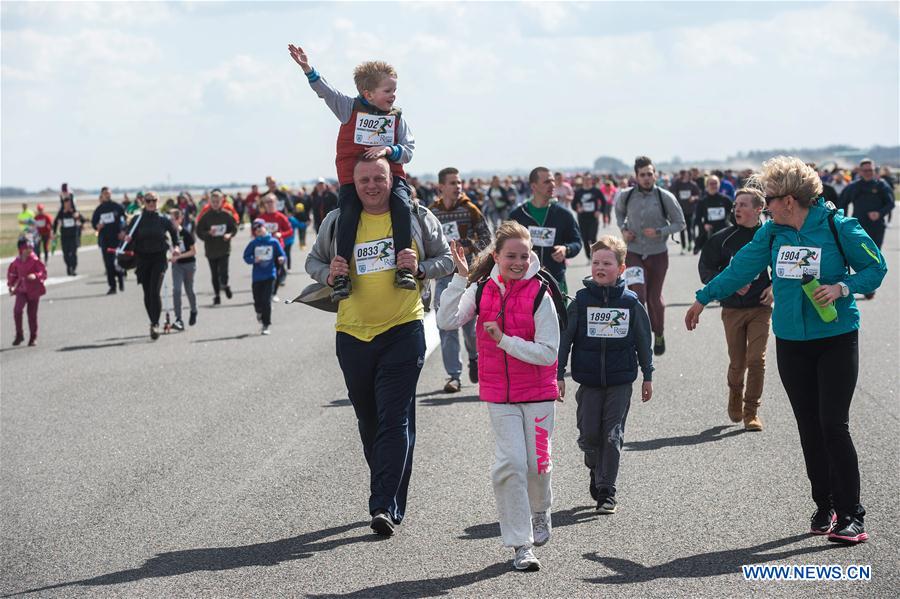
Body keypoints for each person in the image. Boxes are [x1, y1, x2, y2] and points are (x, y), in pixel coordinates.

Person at [685, 156, 887, 545]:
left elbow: (876, 268)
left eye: (770, 199)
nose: (766, 206)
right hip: (792, 341)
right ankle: (824, 505)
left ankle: (852, 515)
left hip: (836, 336)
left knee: (833, 423)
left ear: (790, 200)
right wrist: (702, 298)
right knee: (809, 426)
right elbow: (739, 269)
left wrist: (843, 287)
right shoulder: (772, 234)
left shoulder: (837, 226)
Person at [305, 157, 452, 537]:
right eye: (364, 180)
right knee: (370, 420)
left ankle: (382, 504)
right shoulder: (338, 221)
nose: (372, 186)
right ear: (353, 184)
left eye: (379, 178)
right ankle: (389, 485)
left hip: (403, 329)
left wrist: (420, 268)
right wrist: (329, 272)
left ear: (392, 180)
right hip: (352, 334)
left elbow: (447, 259)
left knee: (394, 418)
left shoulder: (416, 217)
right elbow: (312, 261)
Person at [437, 222, 560, 572]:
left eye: (524, 255)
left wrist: (504, 340)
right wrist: (459, 280)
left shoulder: (540, 294)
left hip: (537, 394)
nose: (518, 262)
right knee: (510, 465)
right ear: (496, 257)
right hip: (500, 395)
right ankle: (521, 545)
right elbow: (447, 321)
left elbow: (549, 353)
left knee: (538, 465)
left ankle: (540, 510)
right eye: (511, 256)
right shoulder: (480, 290)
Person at [290, 43, 417, 301]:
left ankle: (403, 268)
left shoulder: (397, 118)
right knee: (347, 217)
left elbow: (409, 150)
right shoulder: (348, 108)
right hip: (352, 180)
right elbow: (326, 91)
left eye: (395, 90)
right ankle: (341, 275)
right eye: (388, 91)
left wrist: (388, 150)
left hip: (390, 178)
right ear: (368, 94)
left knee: (403, 206)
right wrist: (307, 68)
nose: (393, 95)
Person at [557, 235, 653, 514]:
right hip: (587, 380)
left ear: (621, 268)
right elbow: (566, 339)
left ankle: (607, 490)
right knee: (589, 435)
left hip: (620, 380)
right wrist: (558, 373)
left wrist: (648, 375)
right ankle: (594, 466)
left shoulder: (630, 303)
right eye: (596, 262)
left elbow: (643, 341)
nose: (600, 267)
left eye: (607, 263)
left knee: (612, 434)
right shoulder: (581, 301)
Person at [697, 188, 772, 431]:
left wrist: (774, 288)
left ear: (759, 209)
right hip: (733, 309)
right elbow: (706, 270)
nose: (737, 209)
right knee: (738, 363)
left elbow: (785, 267)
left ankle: (751, 411)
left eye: (743, 205)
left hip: (760, 307)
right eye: (736, 205)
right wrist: (730, 285)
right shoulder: (723, 239)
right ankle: (735, 395)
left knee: (757, 360)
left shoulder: (770, 237)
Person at [614, 156, 686, 355]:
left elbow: (680, 223)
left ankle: (659, 333)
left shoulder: (665, 197)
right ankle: (639, 338)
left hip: (657, 254)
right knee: (638, 296)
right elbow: (619, 213)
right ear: (636, 176)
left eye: (650, 174)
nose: (646, 178)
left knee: (654, 299)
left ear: (655, 175)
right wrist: (623, 229)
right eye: (642, 175)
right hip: (633, 253)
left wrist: (660, 231)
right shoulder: (626, 196)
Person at [429, 167, 492, 392]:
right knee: (446, 327)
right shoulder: (432, 213)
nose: (458, 187)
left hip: (468, 277)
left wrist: (469, 247)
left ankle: (475, 358)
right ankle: (453, 376)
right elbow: (424, 243)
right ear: (441, 187)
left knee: (470, 328)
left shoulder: (470, 210)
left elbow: (487, 238)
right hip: (444, 277)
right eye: (453, 183)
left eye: (459, 182)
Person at [509, 167, 582, 295]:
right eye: (547, 182)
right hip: (523, 280)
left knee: (558, 315)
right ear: (534, 186)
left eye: (553, 181)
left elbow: (576, 242)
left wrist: (566, 249)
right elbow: (504, 245)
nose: (553, 184)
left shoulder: (563, 214)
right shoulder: (518, 215)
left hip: (555, 280)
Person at [125, 192, 180, 339]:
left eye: (154, 200)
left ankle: (155, 324)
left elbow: (175, 235)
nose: (151, 203)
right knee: (147, 293)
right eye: (148, 201)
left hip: (159, 259)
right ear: (144, 202)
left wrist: (176, 247)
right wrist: (127, 238)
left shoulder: (163, 219)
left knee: (154, 291)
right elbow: (128, 236)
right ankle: (152, 321)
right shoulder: (137, 219)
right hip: (142, 259)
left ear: (157, 201)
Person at [838, 158, 893, 272]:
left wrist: (879, 213)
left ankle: (872, 284)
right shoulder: (853, 186)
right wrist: (843, 221)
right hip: (858, 227)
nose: (868, 173)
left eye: (870, 170)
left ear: (874, 170)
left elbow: (890, 203)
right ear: (860, 171)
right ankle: (865, 280)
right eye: (865, 170)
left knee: (875, 255)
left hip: (877, 226)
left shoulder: (881, 185)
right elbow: (842, 203)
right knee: (860, 256)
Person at [244, 219, 286, 335]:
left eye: (260, 227)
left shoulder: (273, 242)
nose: (258, 230)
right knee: (258, 300)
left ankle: (266, 324)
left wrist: (281, 259)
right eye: (256, 229)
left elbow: (282, 254)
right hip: (257, 276)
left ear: (265, 228)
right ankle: (259, 311)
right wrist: (253, 260)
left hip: (270, 275)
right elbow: (246, 256)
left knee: (267, 301)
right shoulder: (253, 243)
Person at [196, 190, 238, 306]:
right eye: (213, 201)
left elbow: (234, 228)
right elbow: (199, 231)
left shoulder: (226, 215)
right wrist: (208, 233)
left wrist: (229, 235)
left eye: (217, 201)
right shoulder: (206, 217)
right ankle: (217, 295)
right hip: (211, 249)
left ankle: (225, 285)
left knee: (224, 272)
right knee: (214, 274)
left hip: (224, 248)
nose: (215, 203)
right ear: (210, 202)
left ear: (221, 202)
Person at [6, 238, 47, 347]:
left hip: (34, 290)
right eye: (26, 248)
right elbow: (12, 275)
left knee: (32, 315)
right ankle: (19, 334)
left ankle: (33, 337)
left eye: (30, 247)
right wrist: (11, 285)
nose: (29, 250)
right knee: (17, 310)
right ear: (21, 249)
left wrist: (36, 275)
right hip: (21, 289)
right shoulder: (16, 262)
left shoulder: (34, 260)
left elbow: (42, 272)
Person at [257, 193, 293, 300]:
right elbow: (254, 231)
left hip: (278, 248)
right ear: (264, 204)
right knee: (265, 272)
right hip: (264, 249)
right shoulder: (261, 218)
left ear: (276, 203)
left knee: (278, 271)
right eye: (267, 202)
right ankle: (265, 291)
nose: (269, 204)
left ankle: (274, 293)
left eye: (271, 201)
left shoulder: (281, 217)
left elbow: (290, 231)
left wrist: (281, 234)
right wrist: (259, 234)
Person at [92, 187, 127, 294]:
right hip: (105, 240)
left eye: (108, 193)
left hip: (117, 239)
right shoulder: (99, 210)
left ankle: (121, 278)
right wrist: (98, 226)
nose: (107, 195)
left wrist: (124, 231)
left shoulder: (117, 207)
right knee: (108, 264)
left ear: (111, 194)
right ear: (102, 195)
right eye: (104, 193)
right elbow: (94, 224)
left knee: (117, 262)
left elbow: (126, 219)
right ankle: (112, 286)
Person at [169, 208, 198, 329]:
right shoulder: (168, 234)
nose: (171, 222)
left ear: (180, 219)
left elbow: (193, 251)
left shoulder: (185, 233)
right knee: (176, 290)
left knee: (189, 290)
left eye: (174, 219)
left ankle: (194, 310)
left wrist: (179, 256)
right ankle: (178, 319)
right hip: (177, 266)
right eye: (170, 219)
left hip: (189, 264)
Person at [694, 175, 733, 254]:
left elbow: (735, 215)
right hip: (709, 235)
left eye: (715, 183)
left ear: (719, 185)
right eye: (711, 183)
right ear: (707, 185)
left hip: (724, 233)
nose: (713, 186)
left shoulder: (726, 199)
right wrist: (704, 225)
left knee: (725, 261)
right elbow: (697, 219)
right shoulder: (702, 201)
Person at [572, 174, 604, 260]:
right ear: (583, 181)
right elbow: (573, 204)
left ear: (591, 181)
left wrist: (599, 211)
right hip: (582, 218)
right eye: (585, 180)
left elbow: (603, 202)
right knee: (585, 239)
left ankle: (596, 255)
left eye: (588, 179)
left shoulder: (596, 191)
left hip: (593, 218)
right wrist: (577, 209)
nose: (587, 181)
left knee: (592, 238)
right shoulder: (578, 192)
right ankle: (589, 256)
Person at [669, 170, 701, 253]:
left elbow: (698, 195)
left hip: (690, 210)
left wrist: (694, 198)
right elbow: (671, 189)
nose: (686, 176)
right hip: (680, 209)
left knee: (690, 228)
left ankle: (690, 243)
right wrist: (677, 180)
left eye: (688, 175)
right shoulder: (678, 184)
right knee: (682, 229)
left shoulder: (693, 185)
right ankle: (683, 247)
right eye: (685, 175)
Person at [53, 197, 85, 276]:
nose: (68, 206)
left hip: (73, 236)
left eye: (69, 204)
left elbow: (83, 220)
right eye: (66, 204)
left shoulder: (74, 212)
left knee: (73, 253)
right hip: (64, 236)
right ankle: (68, 266)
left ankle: (73, 269)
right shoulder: (61, 213)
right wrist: (54, 232)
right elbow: (55, 223)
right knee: (66, 254)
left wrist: (78, 217)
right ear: (63, 204)